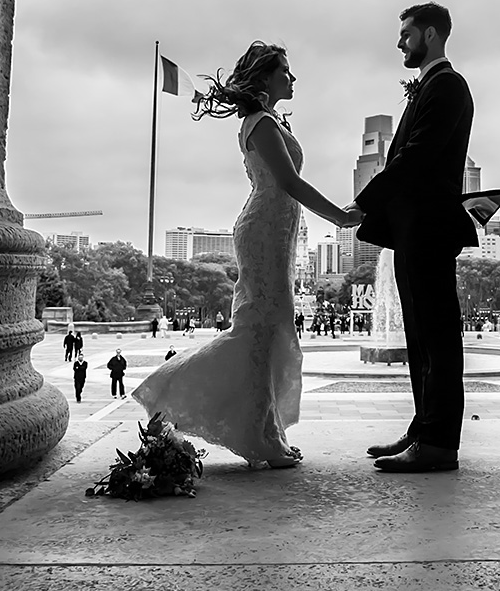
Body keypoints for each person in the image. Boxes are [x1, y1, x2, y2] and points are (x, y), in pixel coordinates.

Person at [132, 41, 361, 469]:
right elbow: (290, 183)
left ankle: (267, 431)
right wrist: (340, 218)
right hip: (264, 231)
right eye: (286, 72)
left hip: (275, 231)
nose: (292, 79)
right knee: (258, 330)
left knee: (268, 329)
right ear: (266, 77)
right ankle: (237, 425)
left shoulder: (267, 121)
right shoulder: (261, 123)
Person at [347, 2, 476, 473]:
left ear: (432, 34)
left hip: (429, 227)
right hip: (413, 229)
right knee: (419, 333)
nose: (400, 42)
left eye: (406, 33)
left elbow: (417, 157)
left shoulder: (448, 86)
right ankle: (424, 428)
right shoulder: (429, 87)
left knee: (437, 334)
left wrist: (364, 201)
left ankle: (439, 442)